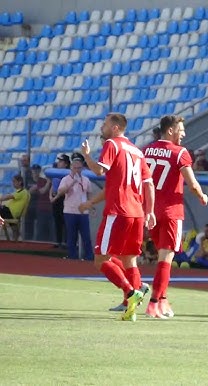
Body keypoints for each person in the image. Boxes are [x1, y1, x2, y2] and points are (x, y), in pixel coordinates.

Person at [80, 112, 156, 322]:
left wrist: (86, 155)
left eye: (104, 124)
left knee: (100, 259)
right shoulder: (137, 151)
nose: (101, 128)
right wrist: (149, 210)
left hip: (118, 211)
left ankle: (131, 292)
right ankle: (130, 306)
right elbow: (148, 183)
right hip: (137, 213)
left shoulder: (112, 145)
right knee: (129, 259)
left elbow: (98, 171)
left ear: (115, 128)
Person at [142, 115, 208, 318]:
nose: (184, 133)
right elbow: (193, 183)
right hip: (171, 211)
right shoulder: (180, 153)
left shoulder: (146, 150)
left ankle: (163, 300)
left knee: (162, 257)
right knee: (166, 259)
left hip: (151, 211)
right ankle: (153, 303)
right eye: (181, 129)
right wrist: (202, 196)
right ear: (170, 130)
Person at [55, 159, 93, 260]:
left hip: (83, 212)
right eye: (75, 168)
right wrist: (72, 183)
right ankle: (73, 256)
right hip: (70, 211)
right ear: (71, 168)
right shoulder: (65, 179)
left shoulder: (86, 179)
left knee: (86, 236)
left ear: (82, 168)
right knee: (72, 236)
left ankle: (89, 256)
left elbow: (89, 193)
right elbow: (61, 192)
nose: (77, 170)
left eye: (79, 168)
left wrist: (90, 205)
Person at [49, 154, 70, 248]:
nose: (59, 163)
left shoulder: (68, 174)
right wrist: (50, 196)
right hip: (55, 198)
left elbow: (64, 189)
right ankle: (58, 241)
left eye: (61, 161)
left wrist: (55, 197)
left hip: (63, 198)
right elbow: (52, 185)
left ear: (66, 164)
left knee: (64, 220)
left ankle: (65, 242)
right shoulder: (55, 172)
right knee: (57, 220)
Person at [0, 175, 30, 239]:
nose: (13, 183)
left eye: (14, 181)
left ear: (20, 182)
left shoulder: (22, 192)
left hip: (11, 212)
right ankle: (14, 240)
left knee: (15, 230)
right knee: (15, 230)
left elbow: (7, 197)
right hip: (10, 212)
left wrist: (1, 199)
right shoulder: (20, 192)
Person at [27, 164, 52, 241]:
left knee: (43, 226)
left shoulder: (42, 180)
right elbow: (40, 191)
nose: (35, 172)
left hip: (44, 206)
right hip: (33, 205)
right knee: (35, 225)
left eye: (37, 170)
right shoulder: (28, 179)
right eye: (34, 170)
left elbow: (42, 191)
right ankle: (30, 238)